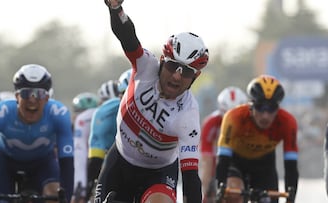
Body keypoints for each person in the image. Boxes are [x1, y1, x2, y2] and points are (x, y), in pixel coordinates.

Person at [95, 1, 209, 202]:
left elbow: (191, 177)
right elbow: (127, 37)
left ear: (195, 77)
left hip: (158, 174)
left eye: (186, 72)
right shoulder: (145, 67)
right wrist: (115, 9)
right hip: (120, 160)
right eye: (173, 67)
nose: (176, 77)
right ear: (163, 61)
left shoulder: (188, 114)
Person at [0, 64, 74, 202]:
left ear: (47, 98)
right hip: (6, 163)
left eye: (39, 94)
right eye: (26, 93)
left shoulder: (59, 114)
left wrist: (65, 198)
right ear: (16, 96)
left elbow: (67, 162)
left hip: (43, 163)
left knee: (53, 195)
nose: (32, 100)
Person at [215, 75, 299, 203]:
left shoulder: (287, 122)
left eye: (271, 108)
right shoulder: (234, 117)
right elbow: (223, 159)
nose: (265, 116)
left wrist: (291, 196)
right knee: (234, 195)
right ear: (251, 105)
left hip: (264, 165)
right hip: (236, 162)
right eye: (260, 107)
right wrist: (220, 189)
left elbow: (291, 166)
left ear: (278, 108)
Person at [85, 70, 130, 201]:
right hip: (113, 162)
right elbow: (95, 159)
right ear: (119, 96)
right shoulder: (104, 113)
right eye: (126, 95)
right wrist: (88, 190)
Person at [200, 86, 247, 203]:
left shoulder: (250, 123)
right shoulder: (210, 123)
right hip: (215, 162)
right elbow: (207, 159)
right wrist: (204, 191)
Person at [71, 92, 101, 202]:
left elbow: (80, 154)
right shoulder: (101, 114)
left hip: (86, 170)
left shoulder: (81, 119)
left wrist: (80, 189)